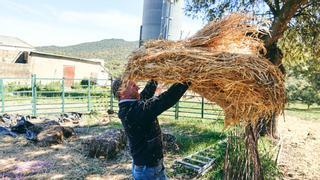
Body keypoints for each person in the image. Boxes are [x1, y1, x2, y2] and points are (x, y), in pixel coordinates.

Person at [112, 79, 190, 180]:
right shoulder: (134, 111)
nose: (138, 88)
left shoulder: (129, 107)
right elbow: (165, 100)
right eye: (133, 86)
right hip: (149, 171)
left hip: (148, 168)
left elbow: (146, 94)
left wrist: (154, 76)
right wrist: (187, 80)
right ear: (122, 92)